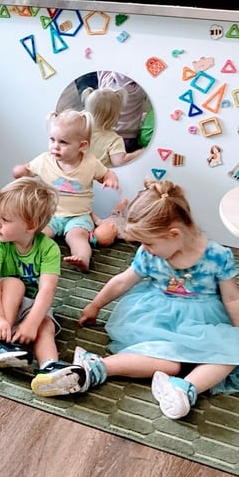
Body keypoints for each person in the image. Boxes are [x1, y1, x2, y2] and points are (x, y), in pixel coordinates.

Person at [31, 178, 239, 420]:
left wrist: (236, 330)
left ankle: (185, 389)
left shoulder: (217, 256)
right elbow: (122, 281)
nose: (145, 248)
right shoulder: (150, 255)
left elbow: (232, 298)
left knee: (232, 350)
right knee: (170, 365)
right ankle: (97, 367)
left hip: (203, 321)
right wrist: (95, 305)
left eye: (148, 243)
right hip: (158, 319)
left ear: (173, 234)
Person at [0, 177, 75, 389]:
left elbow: (47, 289)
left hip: (29, 304)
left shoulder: (49, 248)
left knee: (46, 323)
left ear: (31, 226)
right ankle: (0, 344)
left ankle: (49, 369)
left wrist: (32, 322)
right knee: (15, 284)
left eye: (5, 219)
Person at [13, 109, 119, 272]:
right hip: (49, 214)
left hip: (79, 215)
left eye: (63, 142)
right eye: (52, 139)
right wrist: (20, 171)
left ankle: (82, 258)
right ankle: (28, 257)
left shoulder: (90, 163)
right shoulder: (44, 160)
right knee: (37, 234)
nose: (55, 146)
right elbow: (27, 169)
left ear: (81, 146)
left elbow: (106, 173)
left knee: (77, 238)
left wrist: (110, 179)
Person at [82, 86, 144, 167]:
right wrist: (141, 152)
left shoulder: (79, 130)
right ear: (115, 116)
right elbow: (120, 162)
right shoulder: (114, 140)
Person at [96, 70, 151, 153]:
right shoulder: (140, 89)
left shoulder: (105, 83)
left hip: (108, 137)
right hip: (131, 138)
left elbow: (102, 69)